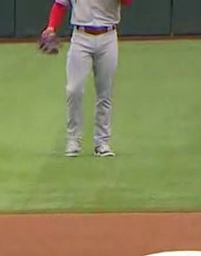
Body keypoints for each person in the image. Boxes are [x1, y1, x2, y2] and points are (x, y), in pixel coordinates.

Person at [40, 0, 132, 157]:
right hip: (81, 37)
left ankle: (102, 142)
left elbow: (127, 2)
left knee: (105, 92)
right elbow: (60, 5)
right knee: (73, 89)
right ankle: (73, 140)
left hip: (108, 35)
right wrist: (51, 27)